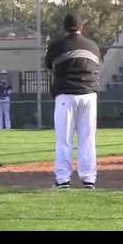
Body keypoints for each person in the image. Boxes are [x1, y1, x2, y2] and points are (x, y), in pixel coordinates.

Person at [44, 12, 100, 189]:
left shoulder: (57, 46)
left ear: (65, 27)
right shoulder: (93, 46)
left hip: (65, 95)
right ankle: (89, 179)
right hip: (89, 95)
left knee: (64, 139)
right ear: (81, 27)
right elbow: (96, 66)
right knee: (87, 138)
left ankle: (62, 179)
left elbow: (48, 64)